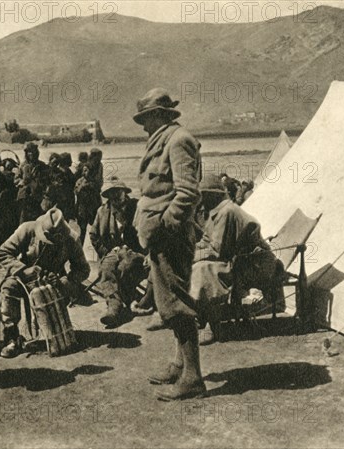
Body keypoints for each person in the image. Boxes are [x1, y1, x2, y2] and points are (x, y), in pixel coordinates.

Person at [132, 88, 205, 401]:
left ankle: (192, 379)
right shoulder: (162, 139)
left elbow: (187, 193)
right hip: (160, 235)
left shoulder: (178, 140)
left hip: (170, 237)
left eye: (146, 118)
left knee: (175, 304)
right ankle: (180, 364)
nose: (143, 125)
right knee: (169, 300)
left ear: (158, 114)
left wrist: (165, 225)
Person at [190, 174, 282, 345]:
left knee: (202, 270)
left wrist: (192, 258)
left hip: (255, 264)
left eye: (202, 194)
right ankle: (200, 316)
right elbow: (206, 241)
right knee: (197, 266)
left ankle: (213, 324)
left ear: (211, 194)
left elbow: (216, 251)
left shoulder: (227, 212)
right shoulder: (214, 212)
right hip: (237, 259)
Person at [0, 208, 90, 358]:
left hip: (52, 282)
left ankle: (58, 333)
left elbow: (83, 269)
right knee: (8, 288)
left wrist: (63, 280)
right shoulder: (27, 229)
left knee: (66, 288)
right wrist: (23, 270)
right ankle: (11, 337)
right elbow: (2, 253)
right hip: (23, 278)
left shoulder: (72, 240)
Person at [89, 178, 146, 327]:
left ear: (124, 192)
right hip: (112, 251)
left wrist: (139, 249)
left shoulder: (137, 207)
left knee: (125, 267)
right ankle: (114, 308)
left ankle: (122, 303)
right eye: (111, 194)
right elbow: (93, 235)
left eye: (117, 192)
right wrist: (105, 251)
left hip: (135, 251)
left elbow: (148, 232)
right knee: (106, 269)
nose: (115, 197)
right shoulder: (102, 211)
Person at [74, 150, 104, 244]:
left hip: (92, 204)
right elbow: (76, 189)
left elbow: (98, 184)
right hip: (84, 206)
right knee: (82, 230)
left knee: (97, 229)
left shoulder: (98, 166)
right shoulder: (86, 168)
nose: (98, 159)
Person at [16, 142, 49, 223]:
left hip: (38, 197)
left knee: (38, 221)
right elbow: (16, 179)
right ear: (26, 153)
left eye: (33, 151)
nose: (31, 154)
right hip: (25, 198)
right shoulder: (22, 166)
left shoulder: (42, 166)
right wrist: (22, 182)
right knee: (24, 222)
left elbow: (47, 181)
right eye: (29, 152)